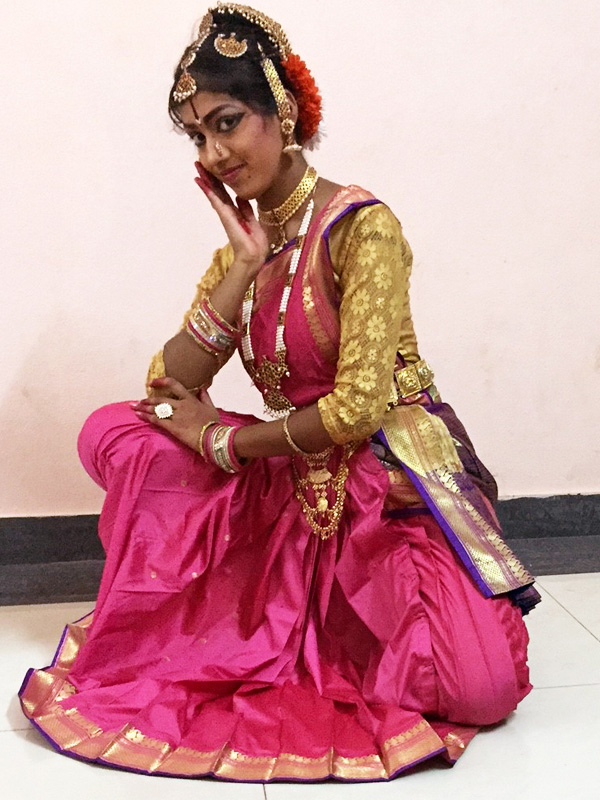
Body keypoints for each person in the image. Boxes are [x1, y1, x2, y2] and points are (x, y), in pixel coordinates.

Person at [19, 3, 540, 782]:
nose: (215, 153)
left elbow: (357, 409)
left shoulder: (362, 228)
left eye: (227, 123)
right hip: (296, 472)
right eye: (197, 136)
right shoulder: (247, 248)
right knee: (114, 429)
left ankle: (332, 614)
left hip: (387, 476)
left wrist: (225, 442)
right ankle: (294, 612)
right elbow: (168, 386)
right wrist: (242, 265)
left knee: (478, 687)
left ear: (285, 111)